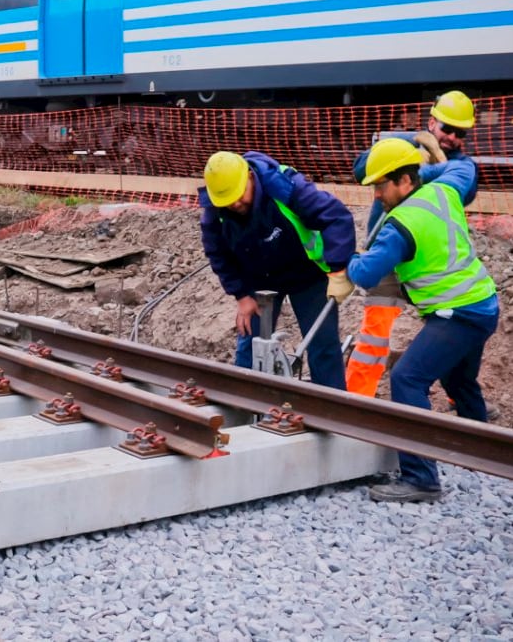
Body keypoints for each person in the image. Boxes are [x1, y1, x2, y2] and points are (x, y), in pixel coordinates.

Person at [342, 138, 496, 502]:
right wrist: (419, 164)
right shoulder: (444, 190)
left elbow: (365, 274)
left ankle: (420, 478)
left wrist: (345, 258)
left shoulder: (400, 226)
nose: (377, 196)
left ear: (405, 182)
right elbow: (464, 167)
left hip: (457, 314)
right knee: (458, 379)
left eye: (381, 185)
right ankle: (486, 455)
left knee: (407, 378)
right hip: (483, 304)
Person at [346, 90, 478, 395]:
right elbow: (360, 169)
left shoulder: (462, 163)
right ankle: (355, 402)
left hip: (429, 263)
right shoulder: (403, 142)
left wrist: (418, 169)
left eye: (461, 133)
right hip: (387, 256)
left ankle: (461, 399)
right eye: (447, 128)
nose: (452, 137)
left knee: (450, 335)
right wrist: (411, 154)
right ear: (432, 122)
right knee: (373, 339)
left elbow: (463, 192)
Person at [199, 151, 356, 390]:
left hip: (306, 274)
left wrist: (338, 269)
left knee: (322, 346)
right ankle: (245, 408)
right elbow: (218, 254)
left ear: (250, 177)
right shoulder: (215, 211)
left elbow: (336, 217)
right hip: (260, 281)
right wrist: (241, 295)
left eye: (239, 195)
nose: (235, 204)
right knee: (251, 348)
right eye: (227, 201)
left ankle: (332, 414)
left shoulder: (284, 187)